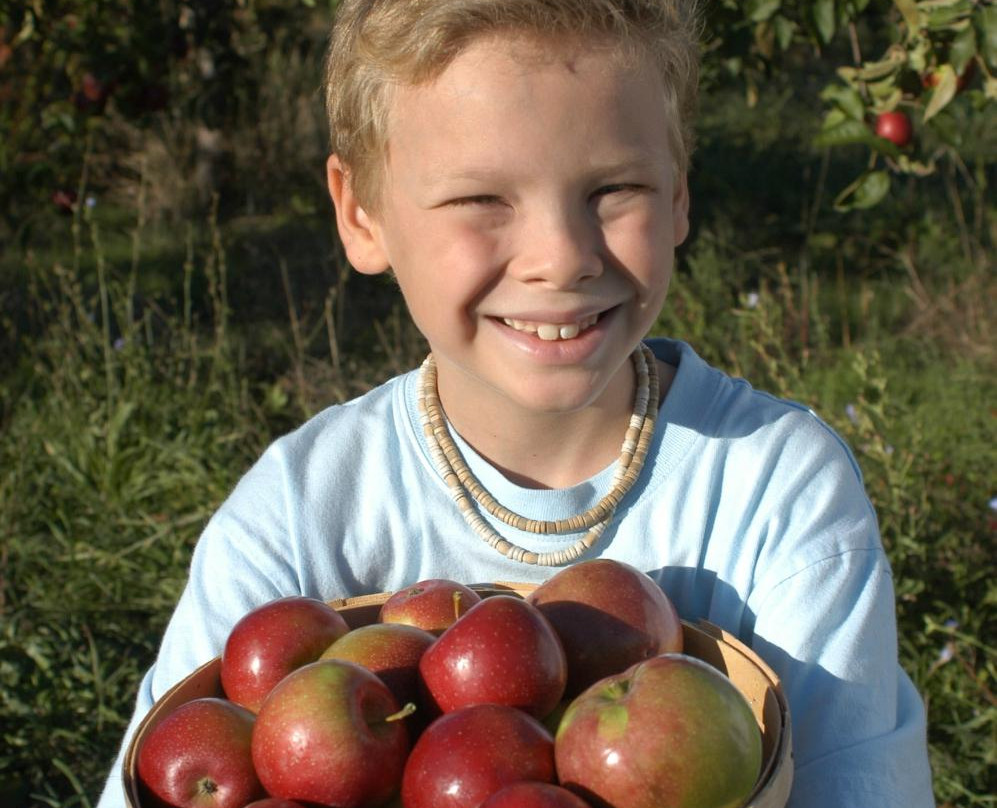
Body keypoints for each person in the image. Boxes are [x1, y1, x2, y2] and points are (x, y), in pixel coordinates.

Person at [97, 1, 935, 806]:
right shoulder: (300, 514)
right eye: (480, 200)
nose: (560, 258)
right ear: (361, 214)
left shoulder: (775, 489)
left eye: (613, 190)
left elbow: (855, 782)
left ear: (678, 193)